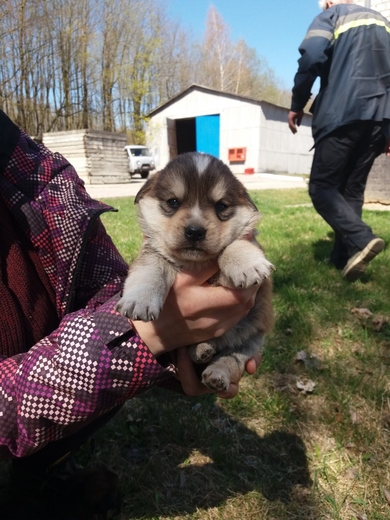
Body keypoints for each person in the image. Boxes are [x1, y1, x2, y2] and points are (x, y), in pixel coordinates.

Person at [0, 109, 261, 517]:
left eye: (220, 208)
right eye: (172, 203)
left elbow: (105, 283)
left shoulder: (27, 163)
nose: (194, 224)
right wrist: (147, 336)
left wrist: (171, 356)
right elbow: (143, 285)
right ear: (151, 201)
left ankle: (43, 469)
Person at [288, 0, 390, 281]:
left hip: (342, 112)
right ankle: (343, 258)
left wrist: (297, 103)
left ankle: (362, 237)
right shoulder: (384, 23)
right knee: (352, 191)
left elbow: (311, 57)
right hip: (379, 118)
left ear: (329, 2)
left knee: (322, 187)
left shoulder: (331, 17)